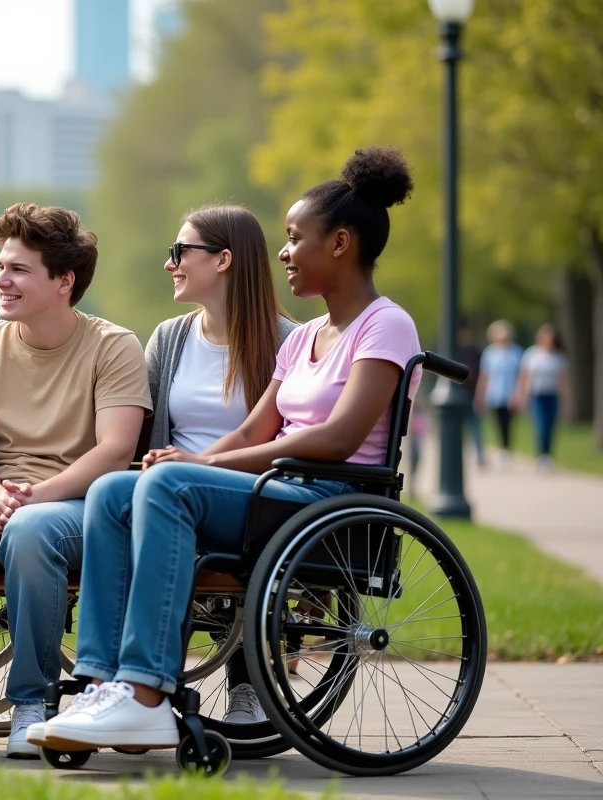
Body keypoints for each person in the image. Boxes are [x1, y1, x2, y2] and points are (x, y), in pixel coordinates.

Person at [33, 147, 423, 750]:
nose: (284, 253)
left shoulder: (386, 325)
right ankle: (101, 682)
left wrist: (201, 464)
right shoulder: (307, 339)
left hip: (330, 498)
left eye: (296, 239)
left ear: (341, 243)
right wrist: (197, 458)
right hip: (283, 489)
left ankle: (145, 691)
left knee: (167, 484)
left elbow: (339, 437)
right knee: (114, 489)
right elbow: (253, 431)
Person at [0, 203, 152, 757]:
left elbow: (115, 450)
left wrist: (37, 496)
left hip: (78, 507)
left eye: (18, 269)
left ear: (64, 281)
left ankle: (31, 702)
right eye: (1, 266)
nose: (1, 279)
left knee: (33, 528)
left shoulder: (113, 346)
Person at [515, 322, 572, 472]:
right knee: (541, 426)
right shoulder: (532, 354)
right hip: (537, 395)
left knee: (551, 426)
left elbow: (563, 381)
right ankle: (541, 455)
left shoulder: (558, 357)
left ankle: (547, 455)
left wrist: (567, 400)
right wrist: (521, 396)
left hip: (552, 395)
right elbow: (524, 377)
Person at [477, 320, 523, 467]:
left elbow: (520, 376)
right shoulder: (489, 353)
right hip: (495, 393)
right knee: (498, 423)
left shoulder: (516, 352)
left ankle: (506, 449)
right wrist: (481, 395)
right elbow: (484, 376)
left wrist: (518, 394)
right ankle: (502, 449)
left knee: (508, 424)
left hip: (510, 394)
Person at [457, 322, 485, 467]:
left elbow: (482, 375)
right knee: (458, 430)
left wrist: (480, 396)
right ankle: (460, 458)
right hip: (458, 395)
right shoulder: (456, 351)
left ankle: (480, 457)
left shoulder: (476, 352)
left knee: (475, 428)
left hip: (472, 394)